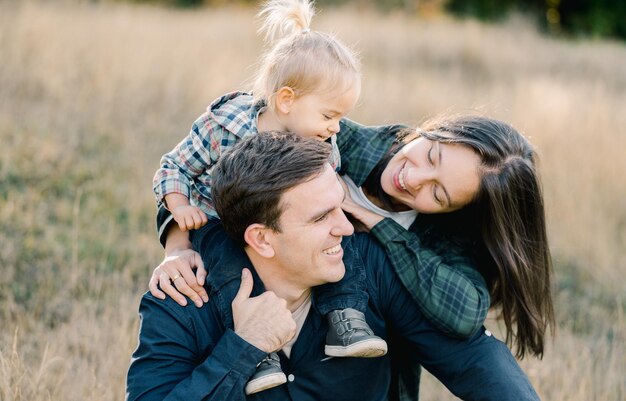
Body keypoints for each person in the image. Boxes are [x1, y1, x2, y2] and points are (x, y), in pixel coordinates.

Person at [153, 115, 555, 398]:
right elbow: (214, 162)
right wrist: (178, 242)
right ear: (430, 131)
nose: (411, 179)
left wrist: (377, 226)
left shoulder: (402, 258)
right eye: (431, 156)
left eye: (439, 194)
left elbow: (471, 351)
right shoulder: (334, 135)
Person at [150, 0, 385, 394]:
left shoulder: (323, 144)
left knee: (343, 248)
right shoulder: (226, 125)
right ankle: (259, 354)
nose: (336, 128)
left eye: (341, 117)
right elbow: (174, 167)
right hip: (222, 227)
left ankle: (347, 319)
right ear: (286, 100)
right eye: (330, 115)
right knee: (228, 275)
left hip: (286, 235)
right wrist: (180, 210)